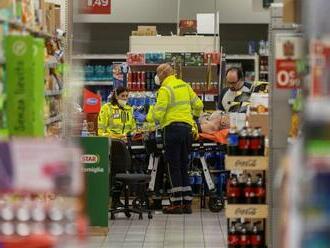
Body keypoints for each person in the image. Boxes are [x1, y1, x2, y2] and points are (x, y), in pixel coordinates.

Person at [147, 63, 204, 214]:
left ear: (164, 74)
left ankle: (177, 203)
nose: (157, 77)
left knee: (173, 167)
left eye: (158, 74)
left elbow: (158, 114)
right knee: (184, 165)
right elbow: (199, 104)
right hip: (187, 130)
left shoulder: (165, 89)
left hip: (172, 130)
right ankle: (187, 202)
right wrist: (194, 118)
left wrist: (148, 115)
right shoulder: (185, 86)